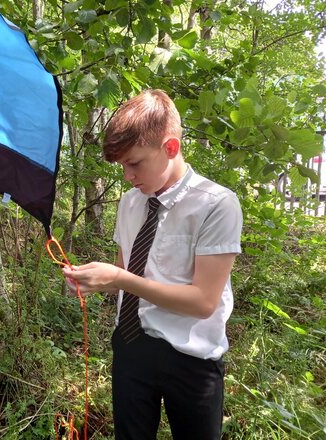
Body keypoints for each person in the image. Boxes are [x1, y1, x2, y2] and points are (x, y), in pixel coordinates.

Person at [62, 90, 243, 440]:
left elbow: (203, 302)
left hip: (191, 356)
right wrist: (95, 280)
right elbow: (123, 271)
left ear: (170, 148)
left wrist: (119, 278)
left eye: (135, 163)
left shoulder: (216, 204)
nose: (128, 176)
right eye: (122, 166)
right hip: (131, 343)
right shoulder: (131, 202)